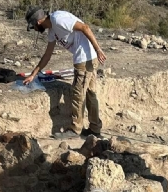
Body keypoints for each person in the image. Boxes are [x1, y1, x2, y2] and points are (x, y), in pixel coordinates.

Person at [23, 7, 107, 139]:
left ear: (38, 22)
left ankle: (75, 130)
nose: (35, 29)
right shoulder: (52, 30)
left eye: (33, 26)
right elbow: (47, 55)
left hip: (85, 58)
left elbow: (85, 27)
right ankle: (95, 129)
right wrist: (33, 74)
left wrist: (98, 49)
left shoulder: (58, 19)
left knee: (78, 94)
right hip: (88, 58)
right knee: (91, 94)